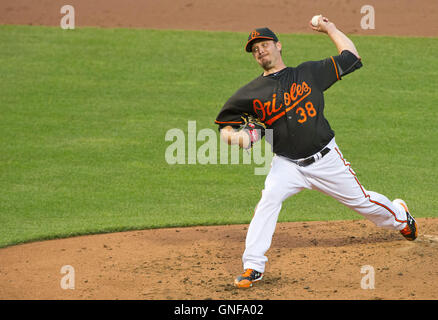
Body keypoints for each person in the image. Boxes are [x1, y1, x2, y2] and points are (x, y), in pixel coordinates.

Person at [214, 16, 418, 289]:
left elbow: (351, 57)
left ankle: (400, 216)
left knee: (364, 203)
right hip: (286, 164)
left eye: (263, 44)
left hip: (326, 160)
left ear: (278, 45)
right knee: (268, 201)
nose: (260, 50)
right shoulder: (249, 93)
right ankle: (253, 266)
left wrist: (330, 29)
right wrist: (238, 139)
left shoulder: (308, 72)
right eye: (254, 49)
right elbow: (225, 127)